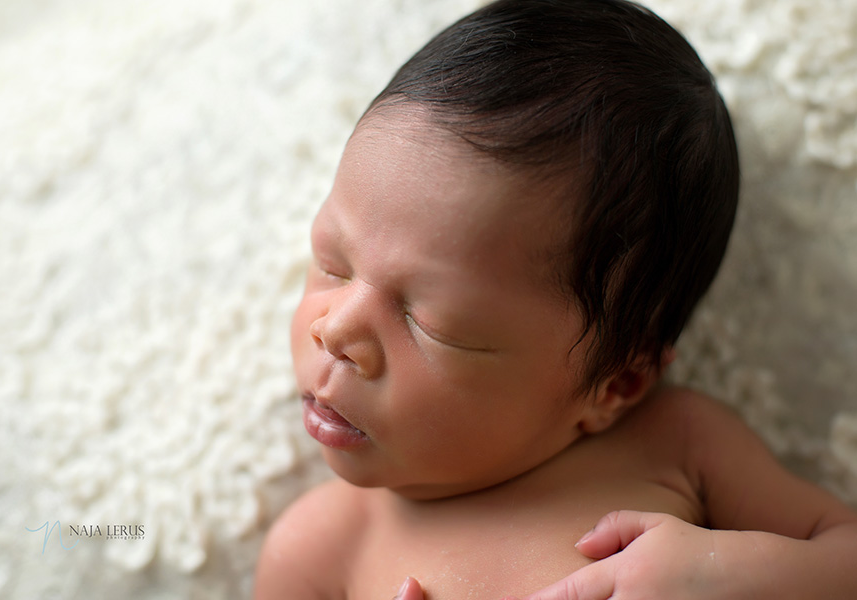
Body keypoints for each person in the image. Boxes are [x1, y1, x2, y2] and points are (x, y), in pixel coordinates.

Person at [252, 1, 857, 598]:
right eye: (332, 265)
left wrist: (732, 572)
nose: (335, 331)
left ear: (615, 386)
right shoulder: (320, 549)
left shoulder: (678, 441)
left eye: (432, 324)